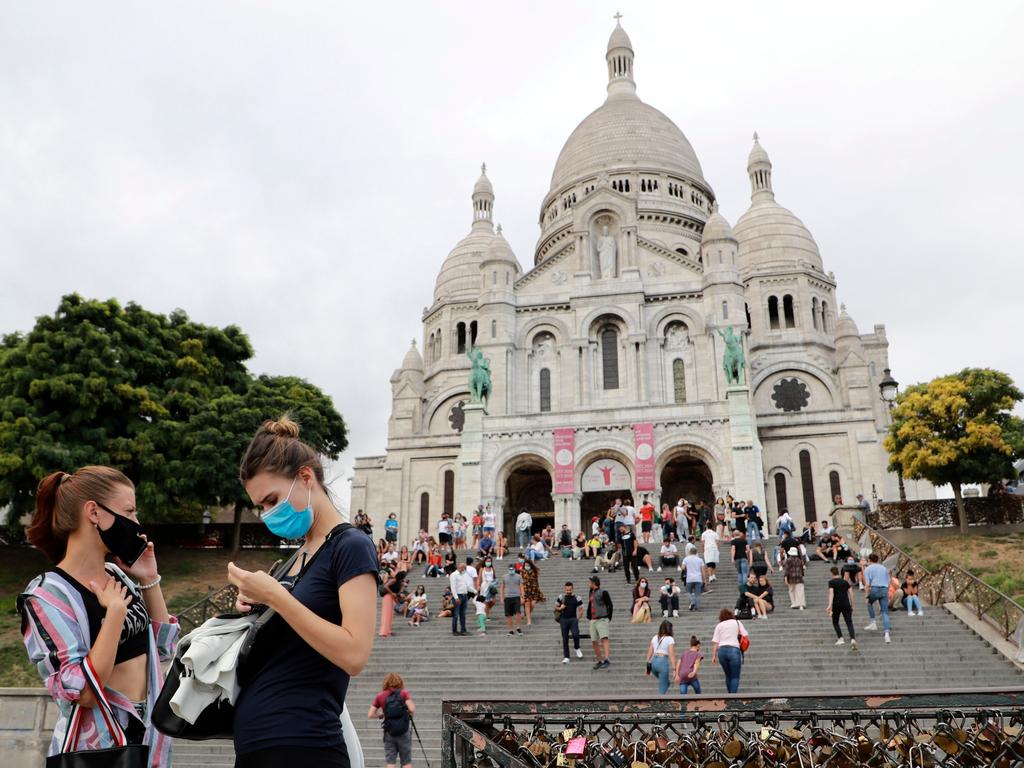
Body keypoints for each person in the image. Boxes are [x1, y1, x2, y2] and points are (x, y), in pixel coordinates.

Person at [227, 416, 379, 768]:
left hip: (305, 743)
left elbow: (355, 654)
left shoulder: (351, 545)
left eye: (271, 500)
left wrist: (277, 598)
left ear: (306, 478)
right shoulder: (297, 557)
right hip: (259, 743)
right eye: (261, 506)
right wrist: (257, 605)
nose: (266, 515)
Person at [19, 467, 178, 767]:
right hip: (100, 748)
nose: (135, 523)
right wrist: (115, 613)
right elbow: (85, 692)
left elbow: (162, 649)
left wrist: (148, 578)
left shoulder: (118, 575)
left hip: (148, 738)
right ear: (93, 512)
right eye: (129, 512)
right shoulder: (46, 596)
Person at [367, 673, 416, 768]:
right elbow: (412, 709)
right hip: (403, 731)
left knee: (390, 763)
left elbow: (370, 714)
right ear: (400, 682)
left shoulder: (380, 696)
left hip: (389, 731)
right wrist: (407, 712)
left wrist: (381, 715)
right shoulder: (403, 693)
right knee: (406, 763)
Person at [711, 608, 748, 694]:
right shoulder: (736, 622)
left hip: (722, 651)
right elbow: (745, 635)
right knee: (735, 676)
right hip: (734, 650)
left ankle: (729, 695)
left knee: (728, 675)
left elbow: (716, 642)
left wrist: (714, 656)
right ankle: (733, 696)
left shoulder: (719, 625)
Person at [863, 553, 892, 642]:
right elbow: (889, 581)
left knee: (869, 603)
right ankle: (887, 633)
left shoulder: (868, 569)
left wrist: (866, 595)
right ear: (877, 560)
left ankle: (873, 622)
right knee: (885, 612)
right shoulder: (884, 568)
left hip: (875, 589)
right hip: (884, 589)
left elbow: (867, 584)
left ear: (869, 560)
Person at [587, 576, 613, 669]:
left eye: (589, 582)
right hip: (593, 620)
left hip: (602, 619)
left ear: (594, 583)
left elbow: (609, 604)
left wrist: (608, 617)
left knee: (604, 638)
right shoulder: (591, 592)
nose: (588, 584)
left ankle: (606, 659)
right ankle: (600, 660)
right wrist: (589, 617)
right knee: (594, 641)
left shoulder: (603, 592)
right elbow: (591, 605)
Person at [826, 566, 857, 647]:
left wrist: (829, 605)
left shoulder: (831, 582)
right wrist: (852, 605)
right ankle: (852, 639)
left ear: (832, 573)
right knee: (849, 622)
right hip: (846, 604)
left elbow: (831, 594)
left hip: (836, 604)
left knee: (835, 622)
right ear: (838, 572)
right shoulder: (845, 582)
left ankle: (840, 638)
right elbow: (851, 593)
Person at [645, 620, 677, 695]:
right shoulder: (670, 639)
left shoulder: (654, 637)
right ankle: (659, 704)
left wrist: (647, 668)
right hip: (662, 662)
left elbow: (649, 653)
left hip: (653, 663)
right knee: (662, 689)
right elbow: (671, 654)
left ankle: (666, 685)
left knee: (666, 682)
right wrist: (674, 669)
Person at [555, 582, 584, 663]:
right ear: (565, 589)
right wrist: (560, 608)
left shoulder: (577, 597)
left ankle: (577, 648)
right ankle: (566, 657)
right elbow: (555, 606)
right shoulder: (561, 597)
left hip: (573, 619)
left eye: (570, 590)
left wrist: (578, 618)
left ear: (572, 589)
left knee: (576, 634)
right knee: (565, 638)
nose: (568, 591)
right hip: (563, 620)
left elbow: (581, 608)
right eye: (567, 590)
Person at [379, 570, 406, 638]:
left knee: (390, 615)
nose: (404, 578)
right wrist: (392, 593)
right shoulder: (393, 580)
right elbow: (386, 586)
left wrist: (402, 591)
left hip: (392, 598)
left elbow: (399, 593)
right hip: (387, 596)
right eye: (404, 577)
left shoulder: (400, 583)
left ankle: (388, 631)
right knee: (386, 614)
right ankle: (384, 632)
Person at [682, 545, 708, 611]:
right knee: (698, 594)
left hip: (689, 578)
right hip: (698, 578)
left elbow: (683, 568)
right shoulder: (700, 560)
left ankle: (692, 601)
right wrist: (705, 580)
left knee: (688, 592)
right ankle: (697, 607)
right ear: (696, 552)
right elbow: (703, 571)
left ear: (690, 552)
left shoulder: (686, 559)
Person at [500, 564, 524, 636]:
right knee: (508, 614)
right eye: (510, 569)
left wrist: (522, 596)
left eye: (512, 569)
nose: (511, 570)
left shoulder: (519, 576)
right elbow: (502, 587)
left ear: (514, 569)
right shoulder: (504, 577)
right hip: (507, 597)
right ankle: (510, 630)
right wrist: (501, 597)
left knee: (518, 612)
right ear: (508, 569)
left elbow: (521, 586)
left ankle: (518, 627)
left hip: (516, 596)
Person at [448, 562, 471, 636]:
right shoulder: (454, 575)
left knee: (463, 614)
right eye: (464, 568)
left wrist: (475, 591)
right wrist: (456, 597)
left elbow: (467, 586)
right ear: (460, 567)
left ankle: (463, 630)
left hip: (464, 595)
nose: (465, 569)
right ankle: (454, 631)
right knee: (455, 614)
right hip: (458, 596)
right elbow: (453, 587)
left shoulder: (463, 575)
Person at [521, 559, 545, 626]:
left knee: (533, 605)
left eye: (528, 565)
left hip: (534, 590)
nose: (527, 566)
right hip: (525, 590)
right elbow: (520, 582)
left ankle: (526, 614)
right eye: (526, 565)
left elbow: (537, 581)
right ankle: (529, 621)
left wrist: (538, 590)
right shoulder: (521, 572)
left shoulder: (535, 571)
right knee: (527, 604)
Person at [729, 529, 750, 594]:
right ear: (739, 534)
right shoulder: (744, 540)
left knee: (739, 573)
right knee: (744, 573)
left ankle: (741, 587)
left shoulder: (733, 541)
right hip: (744, 558)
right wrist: (747, 555)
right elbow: (748, 549)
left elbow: (733, 549)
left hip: (737, 559)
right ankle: (745, 587)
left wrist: (732, 558)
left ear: (733, 534)